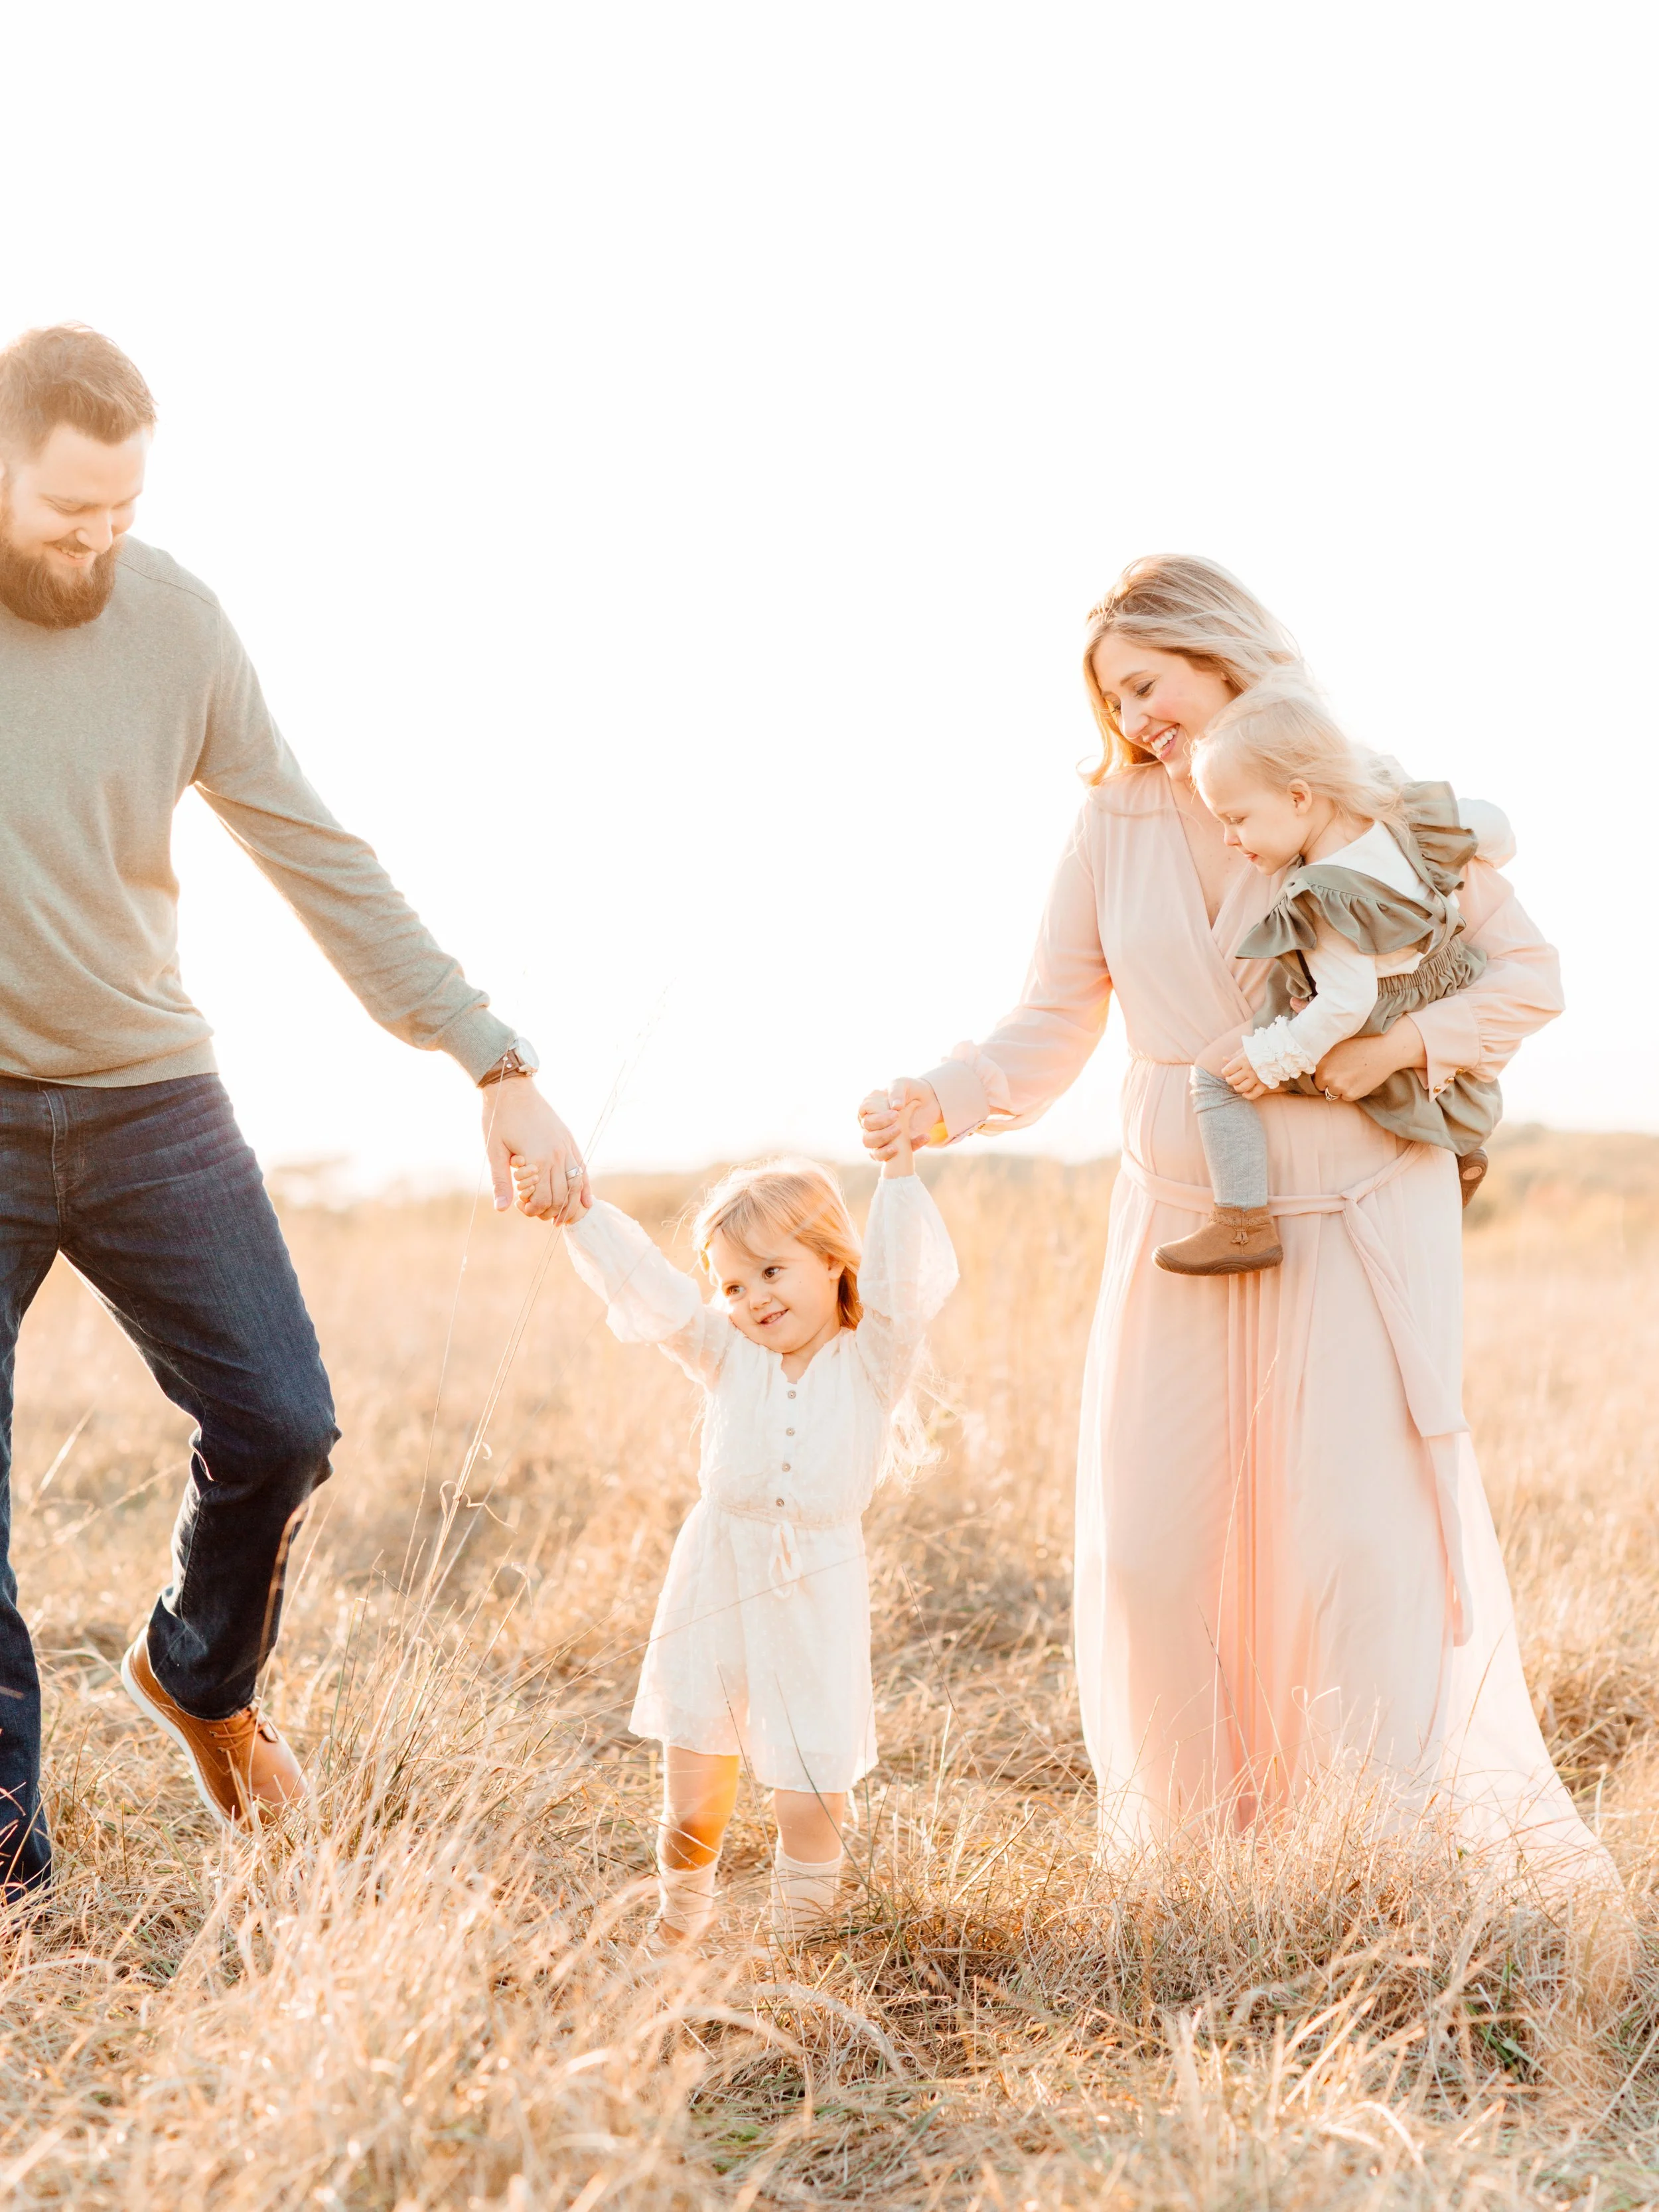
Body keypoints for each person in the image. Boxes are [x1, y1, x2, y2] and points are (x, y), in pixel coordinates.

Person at [859, 553, 1612, 1887]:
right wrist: (944, 1093)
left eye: (1145, 682)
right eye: (1113, 698)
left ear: (1217, 654)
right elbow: (1052, 1015)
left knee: (1353, 1541)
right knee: (1159, 1544)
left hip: (1362, 1204)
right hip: (1182, 1214)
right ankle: (1196, 1862)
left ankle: (1364, 1860)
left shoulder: (1371, 796)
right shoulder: (1111, 823)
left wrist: (1404, 1049)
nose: (1135, 715)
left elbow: (1529, 974)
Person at [0, 324, 589, 1897]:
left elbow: (317, 853)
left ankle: (202, 1677)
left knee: (281, 1424)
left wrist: (492, 1056)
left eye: (119, 512)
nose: (96, 544)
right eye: (67, 514)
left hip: (148, 1101)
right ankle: (7, 1864)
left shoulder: (176, 622)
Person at [555, 1128, 956, 1945]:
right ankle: (678, 1927)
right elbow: (656, 1293)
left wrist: (899, 1169)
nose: (753, 1299)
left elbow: (901, 1282)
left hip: (817, 1589)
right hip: (716, 1576)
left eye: (772, 1271)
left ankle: (799, 1946)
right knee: (694, 1784)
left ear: (833, 1259)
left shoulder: (872, 1357)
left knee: (811, 1785)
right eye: (733, 1285)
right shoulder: (724, 1352)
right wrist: (579, 1214)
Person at [1157, 668, 1512, 1277]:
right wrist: (1481, 857)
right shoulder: (1404, 822)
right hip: (1435, 982)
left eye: (1238, 819)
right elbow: (1497, 827)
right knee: (1414, 1078)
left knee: (1213, 1077)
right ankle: (1461, 1153)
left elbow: (1346, 1002)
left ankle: (1241, 1221)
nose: (1229, 838)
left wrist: (1276, 1054)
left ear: (1299, 797)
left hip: (1368, 1013)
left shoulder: (1324, 895)